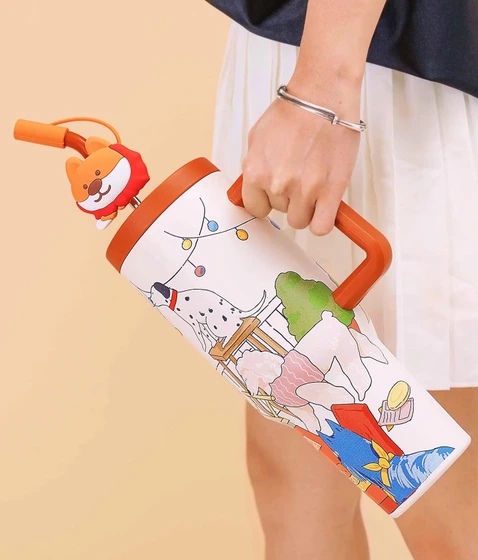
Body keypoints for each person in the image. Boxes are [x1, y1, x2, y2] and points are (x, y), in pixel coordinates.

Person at [208, 1, 478, 558]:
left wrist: (321, 90)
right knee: (294, 486)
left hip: (390, 66)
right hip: (295, 51)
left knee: (447, 500)